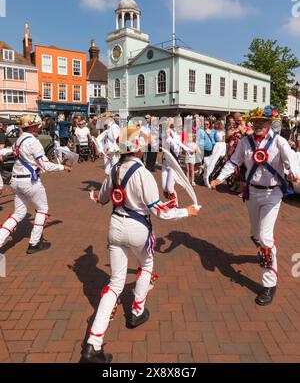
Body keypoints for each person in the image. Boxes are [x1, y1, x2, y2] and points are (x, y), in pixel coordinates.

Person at [82, 127, 200, 363]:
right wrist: (186, 211)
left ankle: (93, 344)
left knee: (115, 283)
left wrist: (95, 196)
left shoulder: (114, 170)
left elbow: (104, 200)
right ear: (137, 147)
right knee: (146, 265)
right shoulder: (143, 173)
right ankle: (136, 311)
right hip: (138, 228)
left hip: (115, 226)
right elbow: (159, 212)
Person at [211, 105, 300, 306]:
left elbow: (290, 162)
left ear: (269, 123)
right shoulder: (245, 142)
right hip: (251, 192)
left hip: (272, 193)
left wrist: (293, 173)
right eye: (255, 121)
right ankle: (265, 246)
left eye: (262, 121)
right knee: (255, 234)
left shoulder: (279, 142)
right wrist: (219, 178)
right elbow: (234, 162)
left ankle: (269, 284)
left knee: (265, 238)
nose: (258, 124)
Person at [0, 115, 71, 254]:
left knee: (18, 213)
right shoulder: (34, 142)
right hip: (30, 181)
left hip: (16, 180)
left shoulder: (19, 140)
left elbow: (9, 151)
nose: (39, 127)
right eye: (37, 125)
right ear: (32, 127)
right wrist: (63, 167)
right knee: (42, 209)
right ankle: (34, 243)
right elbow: (46, 166)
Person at [203, 120, 226, 188]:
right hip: (216, 145)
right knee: (213, 160)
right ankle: (208, 176)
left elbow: (224, 140)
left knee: (216, 162)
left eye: (219, 125)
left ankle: (211, 178)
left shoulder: (222, 132)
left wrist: (220, 142)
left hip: (221, 146)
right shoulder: (214, 131)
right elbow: (213, 139)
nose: (218, 126)